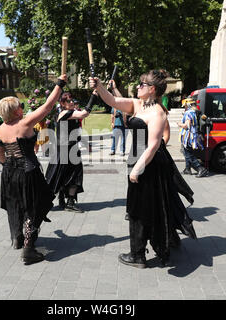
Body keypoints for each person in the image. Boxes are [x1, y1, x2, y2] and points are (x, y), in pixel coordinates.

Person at [89, 70, 196, 268]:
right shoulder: (138, 104)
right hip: (137, 159)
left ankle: (137, 255)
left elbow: (154, 145)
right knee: (152, 204)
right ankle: (168, 237)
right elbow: (112, 100)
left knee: (139, 208)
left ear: (152, 89)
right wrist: (99, 86)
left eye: (141, 84)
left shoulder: (157, 112)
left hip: (150, 163)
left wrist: (137, 168)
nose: (138, 87)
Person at [0, 74, 68, 265]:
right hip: (28, 172)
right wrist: (59, 84)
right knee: (36, 205)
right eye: (20, 105)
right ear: (15, 110)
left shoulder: (1, 129)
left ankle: (17, 238)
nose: (23, 106)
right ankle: (28, 248)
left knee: (16, 204)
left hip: (9, 173)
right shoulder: (25, 122)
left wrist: (7, 168)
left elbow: (0, 154)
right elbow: (48, 106)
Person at [45, 91, 96, 213]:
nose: (72, 102)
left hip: (68, 149)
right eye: (68, 101)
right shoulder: (66, 113)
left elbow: (74, 134)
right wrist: (94, 96)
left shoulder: (67, 114)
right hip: (66, 151)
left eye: (72, 100)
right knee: (71, 176)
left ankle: (64, 200)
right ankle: (67, 202)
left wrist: (85, 143)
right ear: (62, 103)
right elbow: (85, 113)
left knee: (64, 175)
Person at [177, 101, 209, 177]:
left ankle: (200, 169)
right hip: (193, 135)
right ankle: (187, 169)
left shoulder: (189, 113)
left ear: (188, 105)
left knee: (188, 154)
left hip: (189, 136)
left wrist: (179, 124)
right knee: (187, 152)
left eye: (185, 106)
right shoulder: (195, 112)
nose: (184, 107)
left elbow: (186, 126)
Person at [108, 80, 127, 156]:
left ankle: (122, 151)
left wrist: (125, 123)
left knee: (123, 139)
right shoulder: (114, 107)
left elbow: (125, 114)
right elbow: (112, 115)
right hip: (116, 124)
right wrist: (112, 123)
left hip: (123, 125)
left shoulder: (123, 106)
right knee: (115, 138)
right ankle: (113, 150)